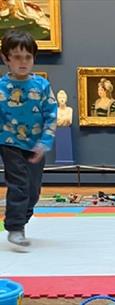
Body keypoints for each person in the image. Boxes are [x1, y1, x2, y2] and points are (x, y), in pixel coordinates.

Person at [0, 30, 57, 246]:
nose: (23, 62)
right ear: (6, 58)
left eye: (28, 57)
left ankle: (22, 220)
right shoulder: (2, 88)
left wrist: (45, 142)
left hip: (35, 145)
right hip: (9, 143)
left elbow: (51, 115)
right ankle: (15, 227)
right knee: (19, 184)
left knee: (33, 190)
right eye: (16, 56)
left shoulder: (41, 86)